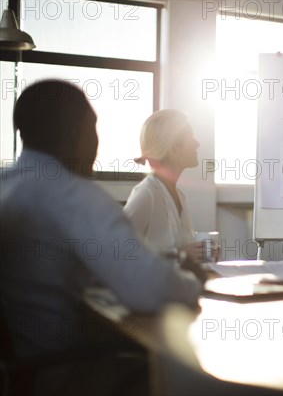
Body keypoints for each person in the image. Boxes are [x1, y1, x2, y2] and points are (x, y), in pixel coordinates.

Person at [0, 80, 203, 393]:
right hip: (68, 372)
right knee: (189, 371)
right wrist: (192, 282)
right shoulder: (74, 196)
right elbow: (148, 288)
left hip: (23, 370)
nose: (97, 145)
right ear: (75, 134)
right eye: (94, 130)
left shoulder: (7, 184)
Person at [124, 109, 214, 264]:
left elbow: (181, 253)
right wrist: (179, 254)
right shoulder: (146, 194)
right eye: (190, 137)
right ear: (173, 149)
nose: (197, 143)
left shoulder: (179, 196)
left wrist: (198, 254)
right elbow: (117, 252)